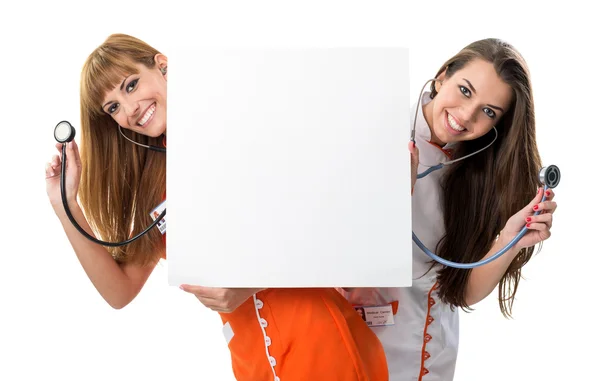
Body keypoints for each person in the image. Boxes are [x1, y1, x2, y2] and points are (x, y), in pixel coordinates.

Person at [197, 38, 558, 380]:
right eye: (464, 90)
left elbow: (459, 290)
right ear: (444, 74)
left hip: (431, 359)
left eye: (488, 112)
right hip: (354, 347)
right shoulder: (367, 126)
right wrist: (388, 201)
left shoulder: (479, 174)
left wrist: (509, 240)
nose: (465, 116)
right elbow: (313, 240)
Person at [44, 33, 389, 381]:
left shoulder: (251, 122)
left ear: (163, 66)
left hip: (328, 352)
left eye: (130, 85)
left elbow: (340, 227)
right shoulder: (156, 188)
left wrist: (251, 283)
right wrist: (66, 206)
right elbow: (120, 291)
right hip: (254, 367)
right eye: (113, 107)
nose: (130, 108)